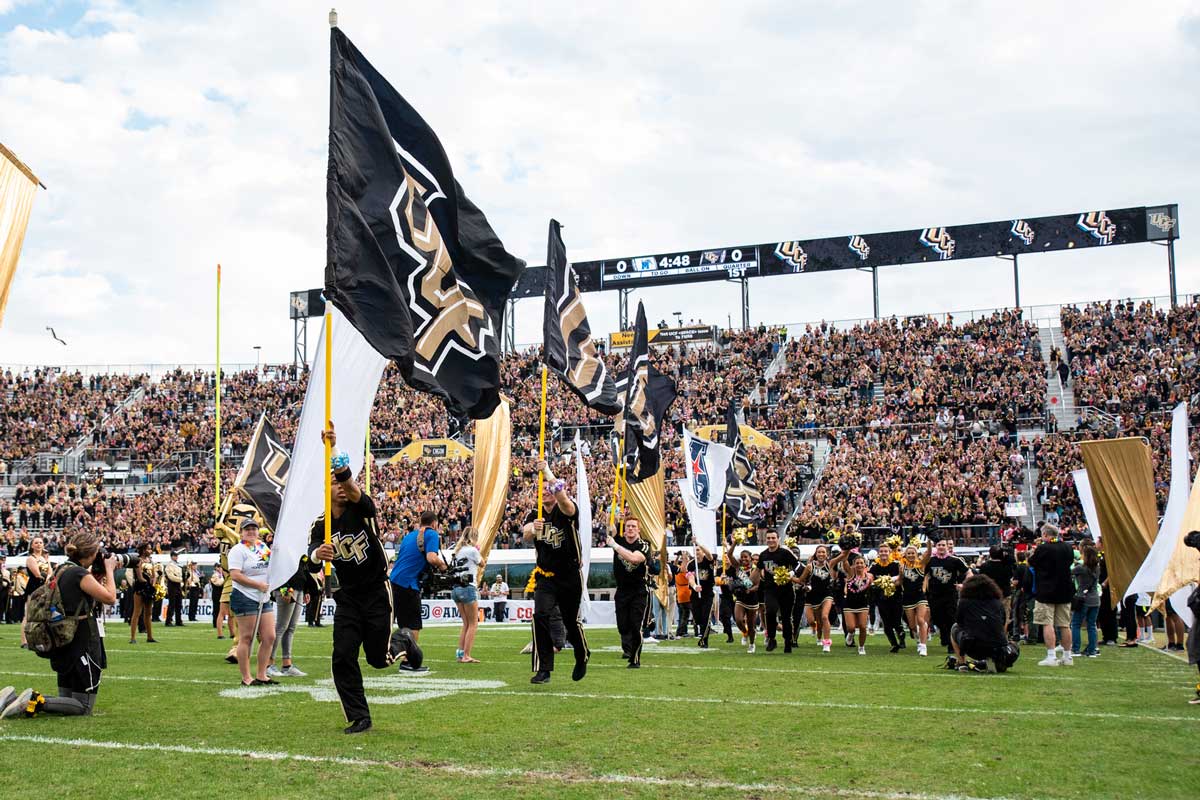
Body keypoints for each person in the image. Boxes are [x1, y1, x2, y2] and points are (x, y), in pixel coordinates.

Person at [309, 423, 418, 734]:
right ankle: (359, 716)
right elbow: (310, 560)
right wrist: (319, 554)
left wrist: (334, 451)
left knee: (378, 659)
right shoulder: (321, 524)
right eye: (334, 482)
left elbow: (355, 490)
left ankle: (403, 640)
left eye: (344, 481)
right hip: (347, 597)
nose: (341, 486)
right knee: (342, 655)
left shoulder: (362, 509)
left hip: (375, 591)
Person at [3, 532, 117, 718]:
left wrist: (98, 574)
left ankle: (12, 699)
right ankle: (34, 699)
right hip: (81, 639)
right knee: (83, 705)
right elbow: (110, 597)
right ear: (89, 554)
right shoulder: (78, 573)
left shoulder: (62, 569)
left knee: (66, 697)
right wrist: (110, 571)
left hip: (63, 639)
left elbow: (79, 599)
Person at [522, 458, 589, 685]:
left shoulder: (566, 510)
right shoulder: (535, 514)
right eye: (544, 490)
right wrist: (534, 528)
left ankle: (581, 654)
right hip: (546, 576)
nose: (547, 492)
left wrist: (548, 472)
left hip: (569, 575)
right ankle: (543, 669)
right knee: (540, 615)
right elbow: (526, 533)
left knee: (570, 622)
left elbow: (563, 497)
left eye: (549, 489)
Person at [228, 517, 277, 687]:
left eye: (254, 529)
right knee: (246, 637)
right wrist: (258, 585)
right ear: (241, 532)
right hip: (245, 596)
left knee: (269, 636)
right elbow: (235, 575)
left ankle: (262, 674)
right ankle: (246, 677)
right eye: (247, 529)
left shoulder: (263, 548)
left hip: (263, 596)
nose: (251, 532)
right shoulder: (237, 550)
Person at [389, 510, 448, 651]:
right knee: (413, 625)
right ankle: (409, 660)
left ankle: (394, 654)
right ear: (434, 524)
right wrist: (442, 566)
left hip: (394, 582)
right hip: (408, 583)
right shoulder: (432, 533)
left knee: (400, 624)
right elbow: (431, 558)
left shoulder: (410, 536)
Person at [1028, 523, 1075, 667]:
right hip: (1064, 590)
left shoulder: (1043, 548)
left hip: (1046, 591)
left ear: (1046, 535)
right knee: (1064, 624)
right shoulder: (1067, 547)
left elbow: (1032, 563)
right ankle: (1068, 656)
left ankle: (1051, 656)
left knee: (1047, 623)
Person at [951, 574, 1016, 673]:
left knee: (954, 627)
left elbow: (960, 622)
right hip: (997, 647)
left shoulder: (964, 602)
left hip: (973, 646)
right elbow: (1002, 623)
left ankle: (962, 663)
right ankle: (994, 660)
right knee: (1012, 644)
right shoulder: (997, 603)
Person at [609, 517, 649, 668]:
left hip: (638, 591)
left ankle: (635, 659)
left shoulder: (644, 545)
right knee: (623, 626)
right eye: (628, 526)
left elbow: (634, 559)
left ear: (638, 529)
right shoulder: (619, 539)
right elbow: (610, 524)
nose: (630, 529)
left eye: (633, 526)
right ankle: (628, 649)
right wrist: (613, 512)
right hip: (622, 590)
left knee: (635, 624)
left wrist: (614, 546)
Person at [926, 539, 972, 666]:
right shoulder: (930, 560)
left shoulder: (955, 560)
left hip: (950, 595)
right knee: (936, 618)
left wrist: (964, 585)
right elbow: (923, 574)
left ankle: (951, 644)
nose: (941, 547)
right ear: (936, 546)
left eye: (943, 545)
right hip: (934, 595)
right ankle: (944, 636)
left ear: (947, 546)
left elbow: (969, 573)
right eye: (939, 545)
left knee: (951, 619)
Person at [757, 530, 800, 653]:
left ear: (778, 539)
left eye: (773, 538)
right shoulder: (763, 555)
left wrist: (791, 573)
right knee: (770, 611)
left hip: (786, 589)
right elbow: (758, 570)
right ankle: (771, 638)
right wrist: (748, 583)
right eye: (768, 538)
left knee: (786, 617)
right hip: (770, 589)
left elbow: (798, 565)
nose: (771, 540)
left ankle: (788, 641)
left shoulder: (785, 553)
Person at [267, 557, 309, 678]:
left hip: (298, 587)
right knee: (281, 627)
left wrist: (306, 590)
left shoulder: (298, 546)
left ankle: (287, 665)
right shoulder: (284, 545)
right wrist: (284, 588)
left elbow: (303, 569)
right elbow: (278, 567)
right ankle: (268, 664)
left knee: (291, 628)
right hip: (287, 588)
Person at [798, 544, 844, 653]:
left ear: (827, 554)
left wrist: (847, 546)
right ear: (816, 554)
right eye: (819, 552)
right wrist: (788, 577)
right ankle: (817, 633)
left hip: (826, 594)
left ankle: (826, 642)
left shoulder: (830, 564)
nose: (821, 554)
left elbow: (842, 556)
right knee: (814, 621)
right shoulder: (810, 566)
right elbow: (801, 580)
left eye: (823, 552)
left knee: (824, 617)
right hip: (812, 596)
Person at [724, 536, 761, 653]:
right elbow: (729, 555)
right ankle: (744, 633)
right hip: (740, 598)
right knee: (739, 620)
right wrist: (734, 543)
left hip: (752, 599)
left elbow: (757, 585)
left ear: (751, 559)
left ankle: (752, 644)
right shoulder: (737, 567)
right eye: (742, 557)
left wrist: (750, 590)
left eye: (746, 557)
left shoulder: (755, 570)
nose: (743, 559)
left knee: (751, 624)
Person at [450, 527, 482, 663]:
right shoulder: (473, 550)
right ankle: (466, 655)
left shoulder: (458, 550)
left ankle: (460, 653)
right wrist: (479, 551)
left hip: (456, 588)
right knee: (473, 623)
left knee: (465, 623)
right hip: (468, 587)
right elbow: (482, 563)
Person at [869, 542, 905, 652]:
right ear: (878, 553)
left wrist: (890, 584)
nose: (883, 553)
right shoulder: (875, 566)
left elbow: (900, 579)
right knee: (886, 622)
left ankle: (901, 638)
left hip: (896, 597)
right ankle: (894, 644)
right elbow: (871, 579)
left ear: (889, 553)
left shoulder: (895, 564)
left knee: (897, 621)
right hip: (881, 598)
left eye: (886, 551)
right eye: (881, 551)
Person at [899, 539, 933, 657]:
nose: (911, 555)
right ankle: (919, 639)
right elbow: (900, 581)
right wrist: (886, 583)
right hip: (907, 597)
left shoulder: (921, 565)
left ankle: (923, 646)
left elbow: (928, 554)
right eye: (909, 553)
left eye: (913, 553)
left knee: (921, 620)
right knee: (912, 626)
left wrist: (929, 541)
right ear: (905, 555)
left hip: (920, 596)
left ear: (916, 554)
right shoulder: (902, 567)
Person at [1069, 542, 1102, 658]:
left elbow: (1069, 571)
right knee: (1092, 625)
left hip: (1082, 598)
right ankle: (1092, 650)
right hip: (1095, 598)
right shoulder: (1097, 568)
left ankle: (1076, 649)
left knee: (1076, 624)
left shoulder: (1081, 568)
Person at [20, 536, 49, 649]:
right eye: (36, 543)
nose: (38, 544)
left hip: (44, 588)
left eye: (40, 542)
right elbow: (38, 575)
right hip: (33, 589)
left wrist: (49, 579)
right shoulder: (31, 559)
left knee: (42, 616)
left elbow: (50, 572)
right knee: (28, 615)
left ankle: (40, 639)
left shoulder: (45, 558)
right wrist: (47, 578)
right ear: (32, 546)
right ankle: (24, 641)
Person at [842, 553, 874, 655]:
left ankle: (861, 647)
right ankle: (851, 634)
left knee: (862, 627)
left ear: (865, 565)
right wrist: (846, 552)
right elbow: (845, 563)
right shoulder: (851, 574)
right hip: (849, 604)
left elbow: (871, 589)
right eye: (857, 563)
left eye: (861, 563)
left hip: (863, 604)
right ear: (854, 565)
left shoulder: (869, 576)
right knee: (851, 627)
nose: (859, 565)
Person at [128, 543, 158, 644]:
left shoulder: (151, 561)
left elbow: (154, 575)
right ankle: (132, 638)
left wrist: (153, 584)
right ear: (143, 550)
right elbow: (140, 577)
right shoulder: (138, 560)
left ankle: (150, 637)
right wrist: (148, 584)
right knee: (137, 612)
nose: (150, 551)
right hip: (140, 587)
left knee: (148, 613)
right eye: (149, 549)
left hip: (149, 587)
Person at [693, 543, 717, 648]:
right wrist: (694, 586)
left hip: (707, 594)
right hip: (695, 595)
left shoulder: (708, 561)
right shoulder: (692, 564)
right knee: (698, 618)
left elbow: (709, 555)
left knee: (706, 617)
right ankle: (704, 632)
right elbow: (688, 576)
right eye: (696, 550)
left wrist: (698, 543)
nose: (697, 551)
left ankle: (704, 639)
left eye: (699, 550)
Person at [164, 549, 184, 626]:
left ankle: (179, 621)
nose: (176, 557)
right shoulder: (169, 565)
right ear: (172, 556)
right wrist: (180, 579)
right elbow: (171, 576)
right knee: (172, 604)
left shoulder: (178, 565)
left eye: (177, 556)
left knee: (179, 604)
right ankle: (168, 621)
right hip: (172, 585)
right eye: (175, 556)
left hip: (178, 585)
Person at [210, 565, 229, 637]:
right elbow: (217, 583)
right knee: (216, 609)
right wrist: (225, 582)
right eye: (219, 567)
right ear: (216, 568)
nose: (221, 569)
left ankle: (219, 624)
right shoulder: (215, 575)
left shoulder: (222, 575)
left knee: (220, 610)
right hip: (216, 594)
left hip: (221, 593)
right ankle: (215, 623)